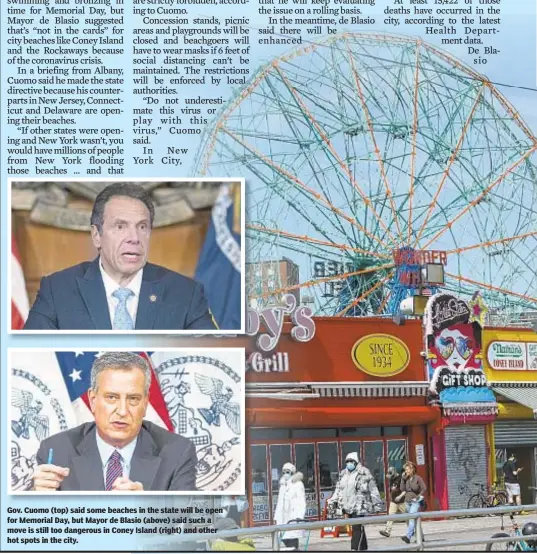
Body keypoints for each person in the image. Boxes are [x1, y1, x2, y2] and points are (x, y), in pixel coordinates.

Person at [24, 182, 217, 331]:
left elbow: (210, 358)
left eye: (142, 227)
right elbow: (30, 360)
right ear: (97, 235)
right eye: (120, 227)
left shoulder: (185, 293)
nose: (134, 238)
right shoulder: (57, 291)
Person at [32, 352, 197, 491]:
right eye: (112, 397)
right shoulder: (57, 450)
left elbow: (190, 522)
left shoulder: (177, 452)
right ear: (93, 400)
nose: (123, 411)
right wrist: (35, 501)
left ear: (145, 404)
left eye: (133, 399)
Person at [329, 452, 382, 551]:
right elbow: (338, 489)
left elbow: (373, 488)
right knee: (358, 527)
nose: (349, 463)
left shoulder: (363, 472)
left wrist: (377, 504)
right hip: (347, 506)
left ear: (356, 462)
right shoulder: (343, 474)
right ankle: (363, 548)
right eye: (347, 461)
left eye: (351, 461)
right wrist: (333, 501)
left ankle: (354, 549)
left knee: (356, 528)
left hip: (359, 506)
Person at [274, 462, 306, 550]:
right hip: (283, 518)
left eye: (287, 472)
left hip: (293, 518)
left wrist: (299, 516)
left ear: (292, 472)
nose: (285, 474)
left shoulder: (298, 484)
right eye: (283, 472)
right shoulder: (282, 485)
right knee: (284, 540)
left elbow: (301, 501)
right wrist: (276, 517)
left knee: (292, 541)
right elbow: (279, 503)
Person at [399, 462, 427, 544]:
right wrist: (403, 479)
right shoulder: (406, 479)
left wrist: (419, 495)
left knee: (412, 518)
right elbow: (402, 489)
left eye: (407, 470)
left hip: (415, 502)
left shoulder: (418, 478)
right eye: (405, 470)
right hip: (407, 502)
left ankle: (408, 537)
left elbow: (424, 488)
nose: (406, 471)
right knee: (414, 520)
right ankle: (420, 537)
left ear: (412, 470)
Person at [379, 466, 406, 538]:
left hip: (402, 501)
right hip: (394, 501)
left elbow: (404, 490)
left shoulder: (401, 478)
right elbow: (391, 489)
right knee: (391, 515)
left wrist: (399, 496)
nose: (390, 477)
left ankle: (416, 531)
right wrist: (388, 496)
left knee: (408, 517)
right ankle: (387, 531)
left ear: (394, 472)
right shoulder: (391, 479)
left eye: (391, 475)